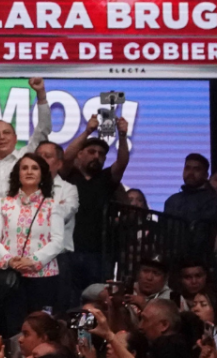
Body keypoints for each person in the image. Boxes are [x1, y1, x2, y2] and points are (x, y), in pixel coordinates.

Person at [0, 154, 64, 335]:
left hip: (43, 279)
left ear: (42, 175)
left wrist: (33, 260)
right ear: (17, 174)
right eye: (24, 168)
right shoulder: (3, 204)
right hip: (12, 278)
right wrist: (9, 260)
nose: (29, 171)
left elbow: (58, 241)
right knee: (13, 330)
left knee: (42, 331)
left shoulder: (52, 205)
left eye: (34, 168)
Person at [62, 114, 130, 296]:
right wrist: (87, 131)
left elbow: (122, 162)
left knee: (97, 298)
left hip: (99, 252)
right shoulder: (69, 175)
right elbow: (66, 158)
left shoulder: (105, 179)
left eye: (101, 154)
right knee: (69, 297)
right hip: (70, 248)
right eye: (91, 152)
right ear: (80, 154)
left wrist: (122, 136)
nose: (97, 156)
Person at [0, 78, 52, 219]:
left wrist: (41, 95)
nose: (2, 137)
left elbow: (43, 128)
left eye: (6, 133)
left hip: (22, 230)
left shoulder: (26, 157)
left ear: (15, 138)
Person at [34, 138, 80, 312]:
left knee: (56, 311)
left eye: (47, 156)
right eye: (38, 156)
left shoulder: (68, 189)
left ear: (59, 163)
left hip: (58, 258)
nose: (42, 159)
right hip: (29, 258)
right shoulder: (21, 189)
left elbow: (62, 216)